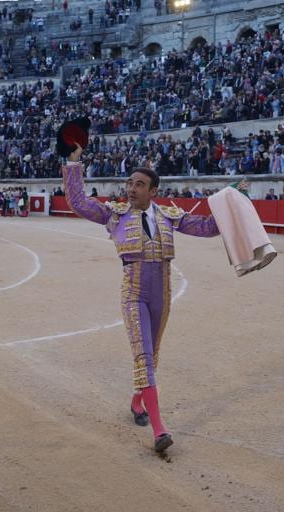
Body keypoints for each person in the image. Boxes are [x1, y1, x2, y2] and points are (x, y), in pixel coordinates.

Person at [62, 142, 220, 453]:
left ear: (153, 192)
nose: (131, 189)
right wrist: (73, 163)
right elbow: (78, 201)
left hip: (162, 294)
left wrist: (232, 200)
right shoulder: (115, 215)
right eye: (130, 183)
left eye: (139, 184)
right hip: (133, 293)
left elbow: (207, 228)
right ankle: (160, 430)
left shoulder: (169, 216)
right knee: (143, 356)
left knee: (154, 353)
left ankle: (137, 402)